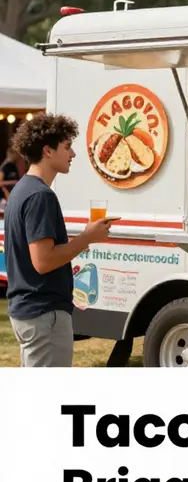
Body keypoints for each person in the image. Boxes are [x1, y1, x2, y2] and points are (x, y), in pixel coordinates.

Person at [4, 114, 112, 367]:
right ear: (47, 150)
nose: (73, 154)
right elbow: (43, 261)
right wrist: (88, 237)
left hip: (30, 311)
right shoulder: (40, 196)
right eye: (67, 147)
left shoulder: (22, 190)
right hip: (43, 313)